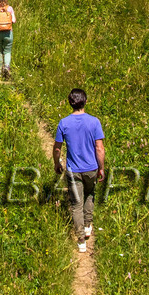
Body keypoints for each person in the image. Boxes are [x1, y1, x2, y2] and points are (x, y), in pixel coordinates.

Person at [53, 87, 105, 253]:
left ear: (70, 103)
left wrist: (57, 163)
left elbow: (57, 148)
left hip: (73, 169)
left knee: (76, 204)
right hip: (91, 168)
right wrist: (101, 168)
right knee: (90, 194)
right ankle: (88, 224)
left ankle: (81, 239)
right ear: (86, 101)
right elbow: (99, 148)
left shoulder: (64, 123)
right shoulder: (94, 122)